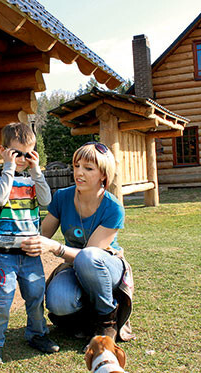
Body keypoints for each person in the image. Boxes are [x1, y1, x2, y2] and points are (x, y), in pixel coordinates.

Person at [21, 142, 134, 342]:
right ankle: (86, 319)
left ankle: (108, 321)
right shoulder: (62, 197)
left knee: (88, 258)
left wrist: (55, 247)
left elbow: (88, 254)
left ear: (103, 175)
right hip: (73, 266)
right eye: (76, 166)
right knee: (58, 303)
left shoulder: (113, 207)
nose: (79, 172)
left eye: (88, 168)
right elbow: (42, 234)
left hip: (107, 268)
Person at [0, 122, 59, 368]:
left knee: (36, 295)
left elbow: (46, 200)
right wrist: (8, 168)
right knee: (1, 298)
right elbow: (0, 199)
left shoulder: (33, 178)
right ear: (3, 150)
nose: (23, 159)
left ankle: (37, 334)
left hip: (29, 253)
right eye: (17, 154)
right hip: (2, 254)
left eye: (28, 154)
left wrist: (37, 171)